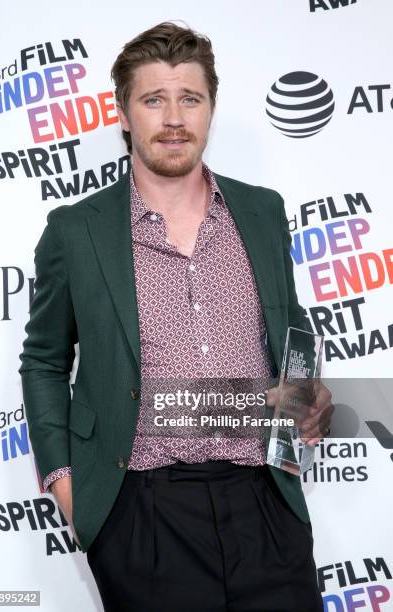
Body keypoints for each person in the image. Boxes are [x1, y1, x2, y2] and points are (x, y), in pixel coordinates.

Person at [18, 20, 333, 612]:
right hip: (141, 512)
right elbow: (43, 361)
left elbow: (292, 326)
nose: (173, 118)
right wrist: (66, 484)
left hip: (266, 503)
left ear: (210, 109)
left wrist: (303, 393)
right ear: (123, 112)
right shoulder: (75, 231)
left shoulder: (263, 212)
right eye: (153, 99)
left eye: (190, 98)